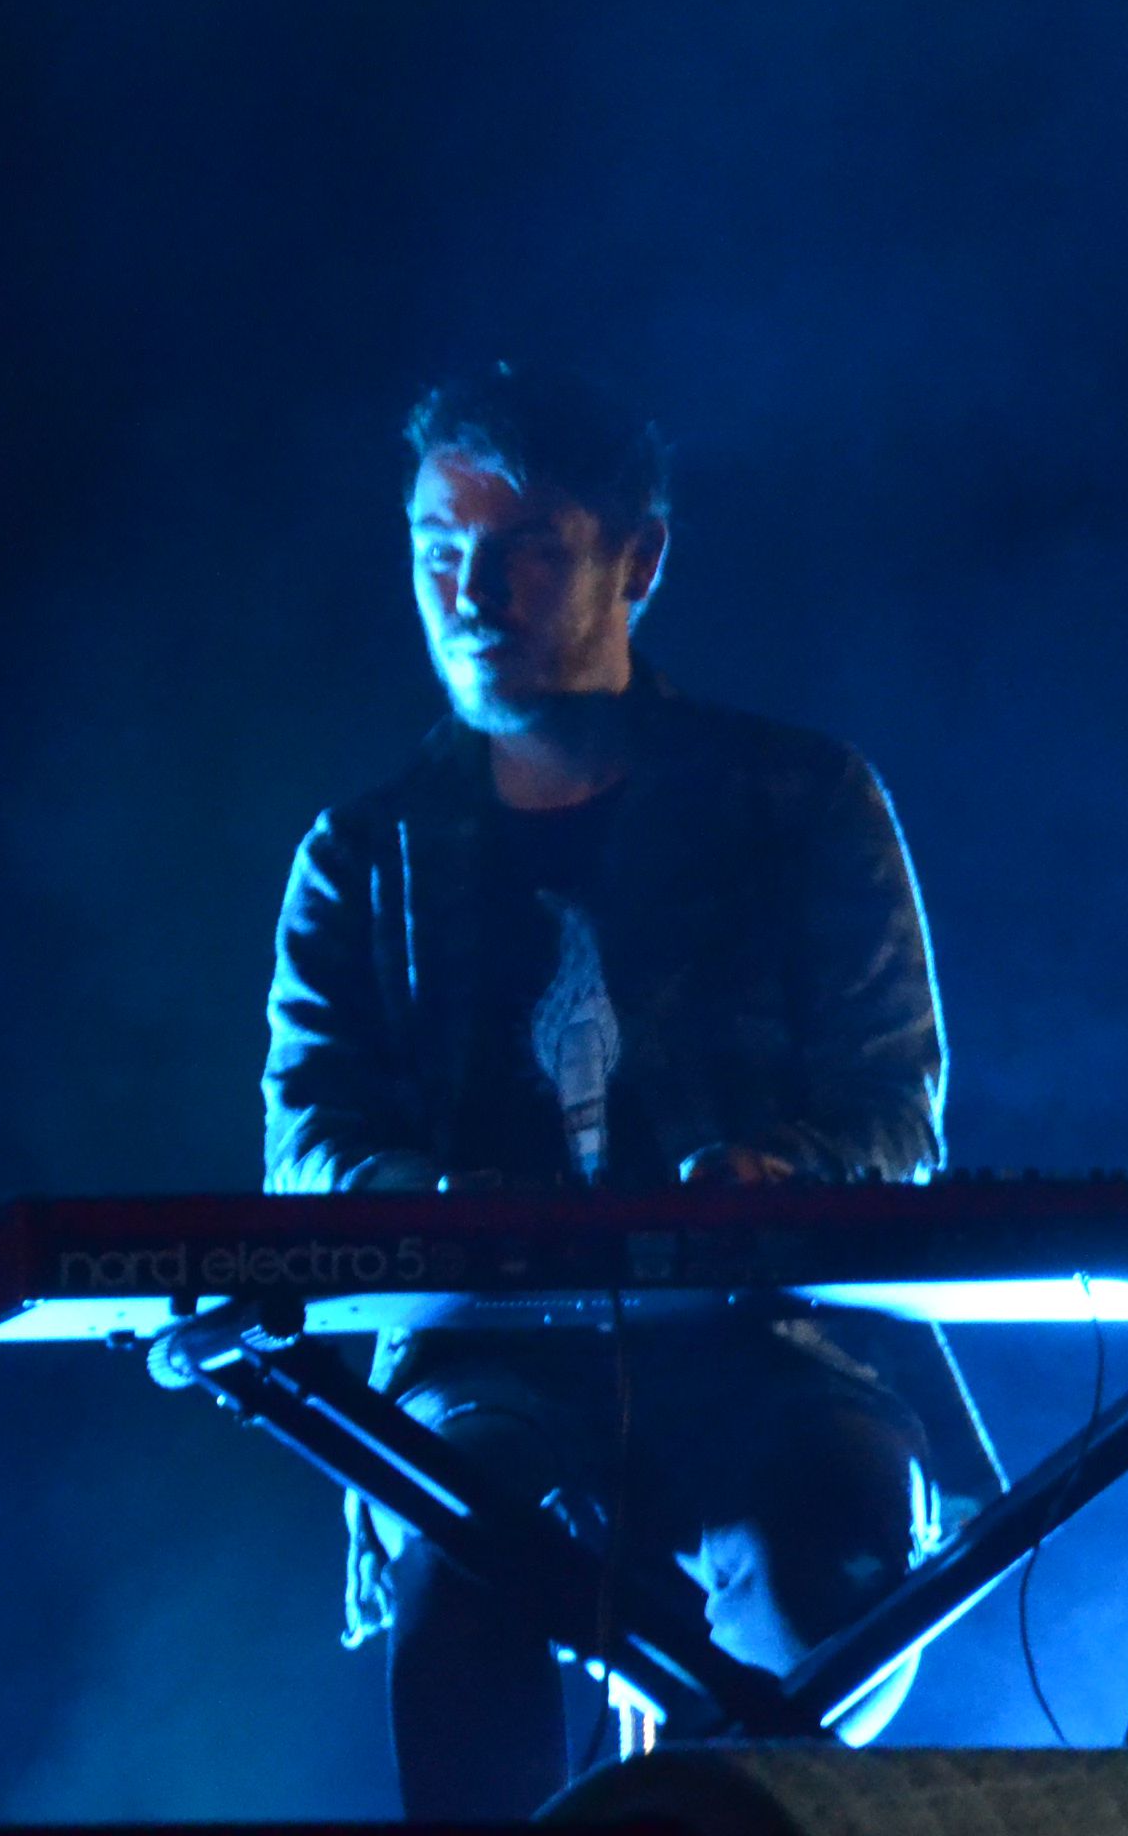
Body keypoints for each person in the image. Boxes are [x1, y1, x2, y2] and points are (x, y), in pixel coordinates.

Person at [262, 361, 985, 1816]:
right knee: (467, 1540)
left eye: (527, 547)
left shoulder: (802, 803)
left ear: (637, 560)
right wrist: (434, 1207)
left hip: (775, 1341)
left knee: (830, 1532)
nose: (472, 591)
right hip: (485, 1363)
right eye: (438, 548)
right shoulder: (360, 860)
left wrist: (778, 1180)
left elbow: (892, 1105)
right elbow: (311, 1146)